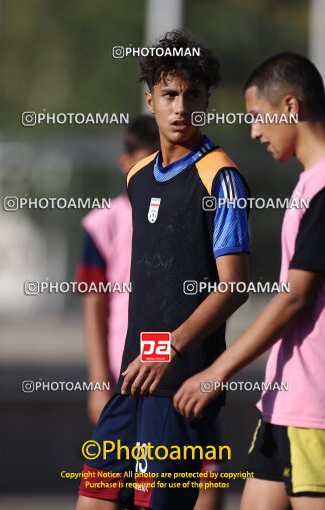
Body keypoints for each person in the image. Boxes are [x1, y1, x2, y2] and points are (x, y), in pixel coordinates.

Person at [76, 29, 250, 510]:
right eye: (170, 94)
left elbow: (234, 287)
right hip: (132, 380)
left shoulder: (221, 176)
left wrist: (169, 348)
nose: (181, 107)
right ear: (150, 99)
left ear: (207, 100)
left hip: (178, 386)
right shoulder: (137, 176)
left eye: (193, 95)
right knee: (93, 500)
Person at [174, 52, 325, 510]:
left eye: (258, 117)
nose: (254, 132)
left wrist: (216, 372)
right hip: (282, 402)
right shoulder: (306, 184)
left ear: (291, 108)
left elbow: (295, 299)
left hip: (313, 411)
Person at [76, 115, 160, 423]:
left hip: (175, 371)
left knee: (186, 469)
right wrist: (99, 383)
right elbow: (93, 302)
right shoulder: (102, 223)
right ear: (125, 162)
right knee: (109, 468)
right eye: (143, 165)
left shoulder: (184, 215)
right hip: (121, 375)